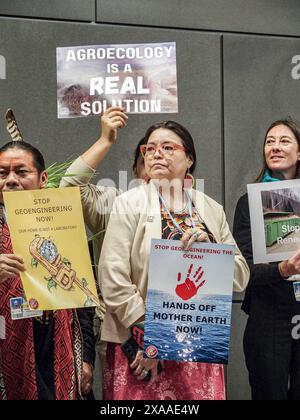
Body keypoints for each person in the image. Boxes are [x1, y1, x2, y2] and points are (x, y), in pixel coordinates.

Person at [99, 119, 249, 400]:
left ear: (189, 159)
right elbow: (112, 277)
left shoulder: (211, 209)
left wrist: (213, 250)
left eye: (168, 147)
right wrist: (154, 336)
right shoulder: (128, 203)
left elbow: (240, 274)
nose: (157, 154)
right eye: (150, 148)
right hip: (140, 343)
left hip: (197, 346)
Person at [60, 107, 146, 398]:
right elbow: (70, 187)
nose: (159, 158)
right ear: (137, 169)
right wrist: (105, 141)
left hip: (179, 325)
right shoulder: (114, 203)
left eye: (169, 149)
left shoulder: (196, 210)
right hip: (119, 330)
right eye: (149, 154)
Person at [0, 139, 95, 400]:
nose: (10, 180)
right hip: (8, 347)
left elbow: (82, 302)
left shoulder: (63, 224)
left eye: (21, 172)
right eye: (2, 173)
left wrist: (87, 358)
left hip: (59, 347)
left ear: (42, 178)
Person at [233, 118, 300, 400]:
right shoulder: (249, 202)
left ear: (299, 152)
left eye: (284, 141)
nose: (275, 147)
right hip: (268, 314)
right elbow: (243, 270)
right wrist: (283, 270)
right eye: (269, 141)